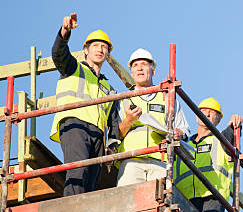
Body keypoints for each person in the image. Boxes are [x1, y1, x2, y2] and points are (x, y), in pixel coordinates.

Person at [50, 13, 121, 196]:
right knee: (77, 171)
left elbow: (113, 123)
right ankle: (72, 211)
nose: (100, 49)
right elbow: (59, 53)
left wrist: (112, 148)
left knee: (91, 180)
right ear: (86, 50)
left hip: (97, 134)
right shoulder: (74, 68)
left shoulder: (109, 89)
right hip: (74, 125)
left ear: (107, 54)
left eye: (104, 47)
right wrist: (65, 32)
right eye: (95, 45)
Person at [113, 48, 190, 186]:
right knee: (129, 204)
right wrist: (129, 120)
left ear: (153, 71)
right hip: (131, 160)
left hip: (160, 161)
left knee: (159, 204)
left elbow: (184, 130)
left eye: (144, 64)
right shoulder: (124, 100)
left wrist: (180, 133)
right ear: (131, 73)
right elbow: (116, 134)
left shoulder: (167, 99)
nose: (140, 68)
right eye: (135, 65)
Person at [174, 98, 243, 212]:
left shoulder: (220, 139)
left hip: (213, 196)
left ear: (218, 120)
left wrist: (235, 123)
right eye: (203, 111)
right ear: (196, 116)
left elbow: (231, 136)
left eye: (212, 112)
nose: (207, 114)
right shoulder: (185, 142)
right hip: (186, 196)